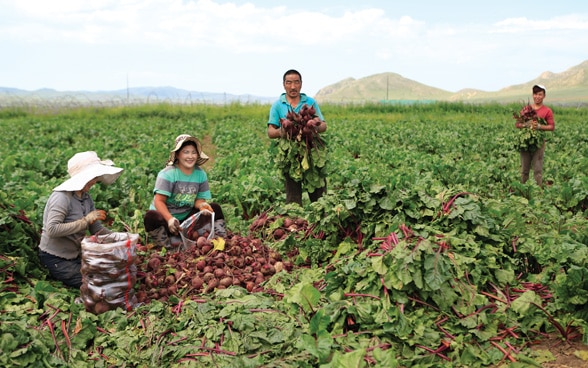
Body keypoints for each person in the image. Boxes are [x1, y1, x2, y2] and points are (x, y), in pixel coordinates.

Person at [38, 151, 124, 288]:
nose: (95, 181)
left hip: (77, 255)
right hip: (55, 258)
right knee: (97, 284)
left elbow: (97, 229)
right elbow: (52, 229)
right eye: (93, 177)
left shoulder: (86, 197)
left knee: (112, 273)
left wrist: (121, 237)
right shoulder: (61, 197)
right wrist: (85, 221)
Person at [144, 134, 227, 249]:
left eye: (193, 152)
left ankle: (221, 240)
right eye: (186, 152)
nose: (190, 156)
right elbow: (159, 201)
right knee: (150, 216)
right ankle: (166, 247)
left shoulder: (200, 174)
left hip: (186, 219)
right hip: (167, 219)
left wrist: (202, 205)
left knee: (215, 208)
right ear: (177, 154)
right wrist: (170, 219)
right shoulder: (167, 174)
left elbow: (198, 200)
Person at [267, 69, 328, 205]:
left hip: (311, 151)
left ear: (301, 84)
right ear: (284, 85)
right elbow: (270, 131)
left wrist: (313, 126)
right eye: (289, 83)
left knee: (319, 194)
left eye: (296, 82)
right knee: (293, 196)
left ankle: (322, 218)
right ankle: (295, 223)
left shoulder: (310, 102)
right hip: (290, 155)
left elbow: (324, 125)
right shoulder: (277, 105)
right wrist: (282, 132)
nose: (293, 86)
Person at [515, 84, 555, 187]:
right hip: (525, 143)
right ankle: (523, 190)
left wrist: (539, 126)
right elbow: (517, 124)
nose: (537, 96)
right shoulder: (526, 109)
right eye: (535, 94)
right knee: (524, 170)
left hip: (539, 143)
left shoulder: (547, 111)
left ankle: (538, 193)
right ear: (532, 95)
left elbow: (551, 127)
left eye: (540, 94)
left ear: (544, 96)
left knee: (537, 170)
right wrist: (525, 125)